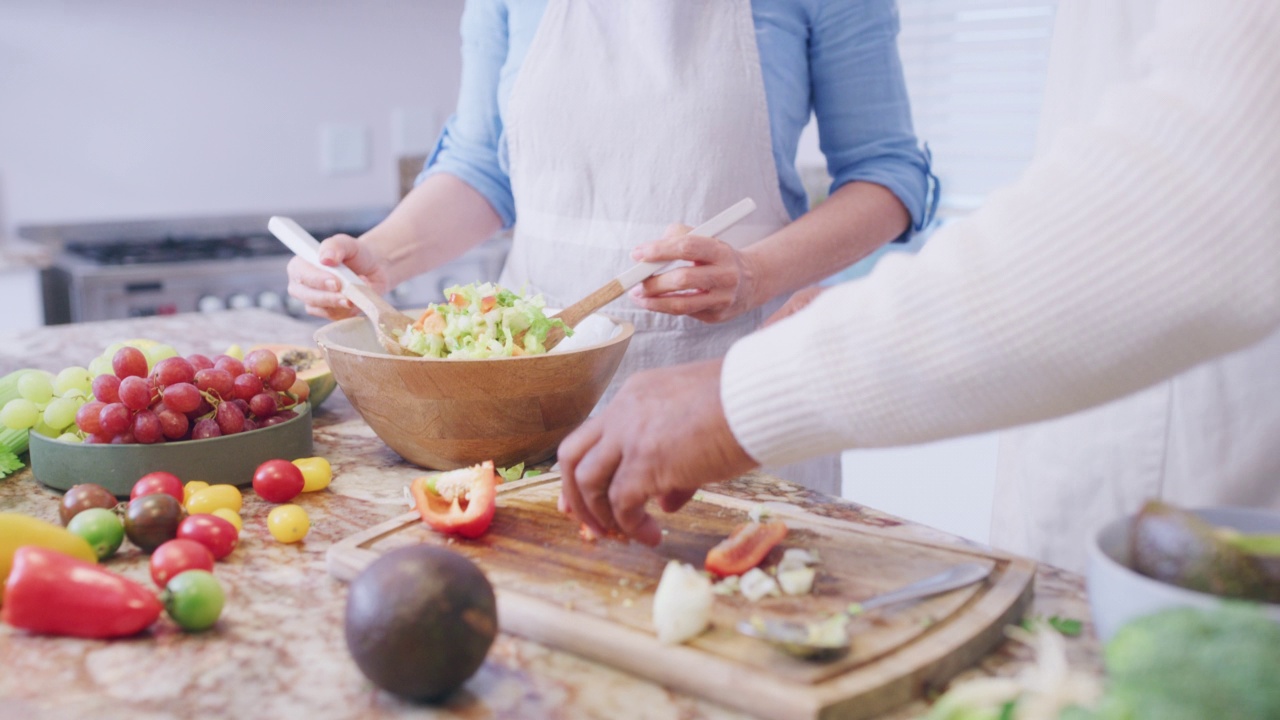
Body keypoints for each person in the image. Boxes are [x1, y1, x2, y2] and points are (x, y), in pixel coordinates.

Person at [556, 0, 1280, 572]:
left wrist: (742, 392)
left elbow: (1210, 190)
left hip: (1208, 466)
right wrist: (860, 318)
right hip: (1099, 449)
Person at [285, 0, 934, 496]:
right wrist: (381, 258)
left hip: (730, 386)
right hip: (526, 392)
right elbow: (484, 165)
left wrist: (755, 273)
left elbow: (889, 177)